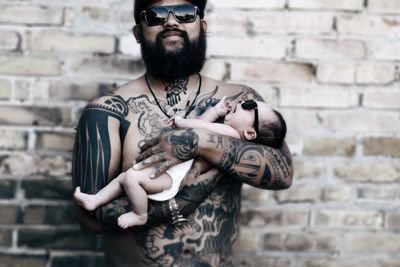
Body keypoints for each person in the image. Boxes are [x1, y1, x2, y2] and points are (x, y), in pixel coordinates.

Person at [72, 0, 293, 266]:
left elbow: (282, 172)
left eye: (186, 13)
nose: (172, 21)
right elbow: (89, 220)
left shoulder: (240, 101)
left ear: (203, 25)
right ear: (138, 32)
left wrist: (197, 141)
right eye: (156, 15)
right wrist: (180, 201)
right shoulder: (107, 111)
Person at [73, 96, 287, 229]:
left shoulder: (231, 132)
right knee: (125, 178)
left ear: (250, 132)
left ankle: (140, 214)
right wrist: (214, 112)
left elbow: (198, 131)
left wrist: (181, 122)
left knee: (129, 178)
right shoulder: (226, 130)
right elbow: (203, 128)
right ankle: (95, 200)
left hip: (172, 176)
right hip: (170, 171)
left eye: (248, 106)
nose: (242, 102)